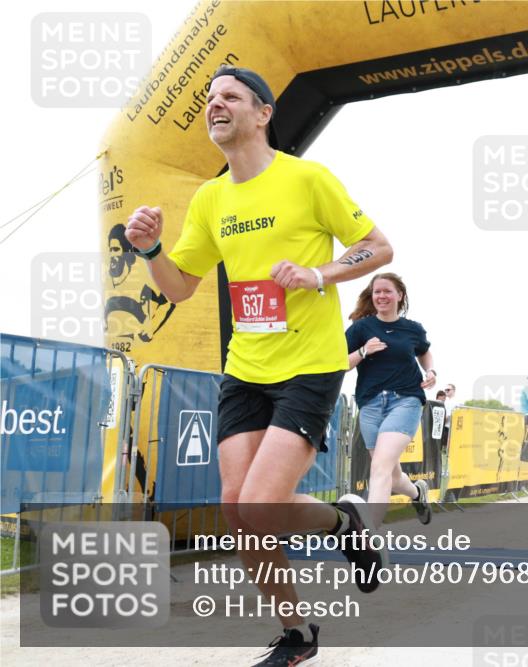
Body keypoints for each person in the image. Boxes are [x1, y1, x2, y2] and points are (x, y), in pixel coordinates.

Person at [125, 65, 393, 666]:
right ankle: (298, 632)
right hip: (245, 365)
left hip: (309, 364)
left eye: (230, 97)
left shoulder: (307, 179)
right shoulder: (210, 197)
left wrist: (319, 273)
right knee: (238, 510)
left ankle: (344, 525)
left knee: (262, 504)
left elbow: (378, 246)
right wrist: (149, 252)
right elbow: (180, 287)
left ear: (263, 113)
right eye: (209, 98)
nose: (215, 105)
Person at [346, 272, 435, 529]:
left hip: (405, 401)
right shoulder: (361, 328)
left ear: (399, 295)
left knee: (381, 467)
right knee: (393, 477)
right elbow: (340, 365)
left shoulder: (413, 329)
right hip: (371, 405)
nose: (381, 296)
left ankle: (369, 532)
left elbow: (425, 352)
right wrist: (363, 351)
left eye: (387, 291)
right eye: (377, 292)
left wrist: (430, 371)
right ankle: (418, 494)